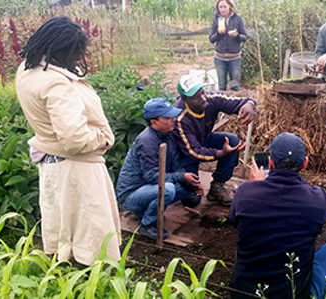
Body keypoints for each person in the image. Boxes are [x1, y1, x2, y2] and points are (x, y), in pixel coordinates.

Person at [16, 17, 121, 266]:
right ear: (63, 51)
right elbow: (74, 139)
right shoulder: (56, 84)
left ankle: (70, 280)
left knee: (66, 227)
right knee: (91, 233)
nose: (78, 59)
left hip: (54, 163)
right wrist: (103, 137)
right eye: (76, 54)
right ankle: (92, 283)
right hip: (76, 168)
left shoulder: (28, 70)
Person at [229, 133, 326, 299]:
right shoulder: (319, 199)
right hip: (293, 293)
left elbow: (234, 221)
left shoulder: (245, 192)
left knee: (248, 240)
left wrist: (255, 186)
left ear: (270, 162)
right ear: (305, 163)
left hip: (244, 293)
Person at [116, 98, 203, 239]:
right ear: (154, 122)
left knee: (186, 189)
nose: (173, 119)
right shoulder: (146, 141)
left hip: (148, 188)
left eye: (172, 116)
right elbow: (152, 176)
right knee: (168, 189)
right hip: (131, 194)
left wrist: (190, 182)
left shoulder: (167, 135)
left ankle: (148, 210)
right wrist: (181, 177)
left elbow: (176, 165)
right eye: (167, 117)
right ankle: (147, 225)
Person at [173, 74, 256, 206]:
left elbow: (239, 101)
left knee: (232, 140)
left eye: (202, 93)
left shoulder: (210, 99)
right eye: (196, 97)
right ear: (185, 99)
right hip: (184, 154)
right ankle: (175, 179)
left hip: (203, 140)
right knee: (192, 200)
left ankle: (217, 186)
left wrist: (249, 104)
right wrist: (220, 153)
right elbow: (193, 152)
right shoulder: (179, 117)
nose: (202, 98)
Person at [209, 0, 247, 91]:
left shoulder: (238, 19)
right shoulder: (216, 19)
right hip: (220, 58)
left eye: (224, 6)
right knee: (222, 86)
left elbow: (244, 37)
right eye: (220, 7)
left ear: (230, 6)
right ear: (218, 8)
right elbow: (211, 39)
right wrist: (218, 33)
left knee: (235, 86)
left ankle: (234, 104)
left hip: (234, 58)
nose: (222, 9)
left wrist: (237, 35)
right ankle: (223, 104)